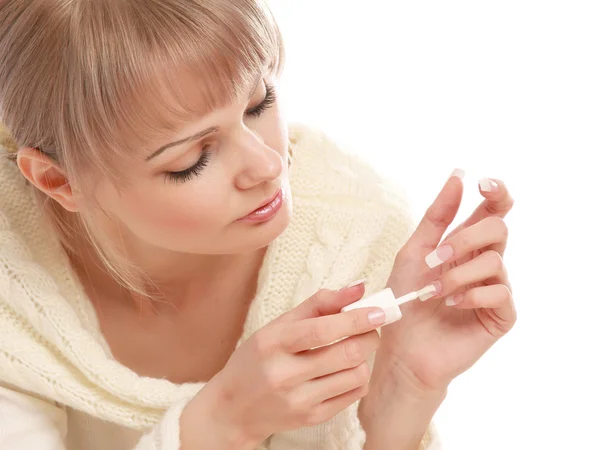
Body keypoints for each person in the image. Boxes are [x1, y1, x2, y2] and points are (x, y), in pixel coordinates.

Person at [0, 1, 516, 449]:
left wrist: (401, 394)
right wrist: (221, 423)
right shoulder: (11, 289)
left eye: (258, 103)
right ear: (58, 181)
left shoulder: (352, 232)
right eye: (192, 160)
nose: (269, 165)